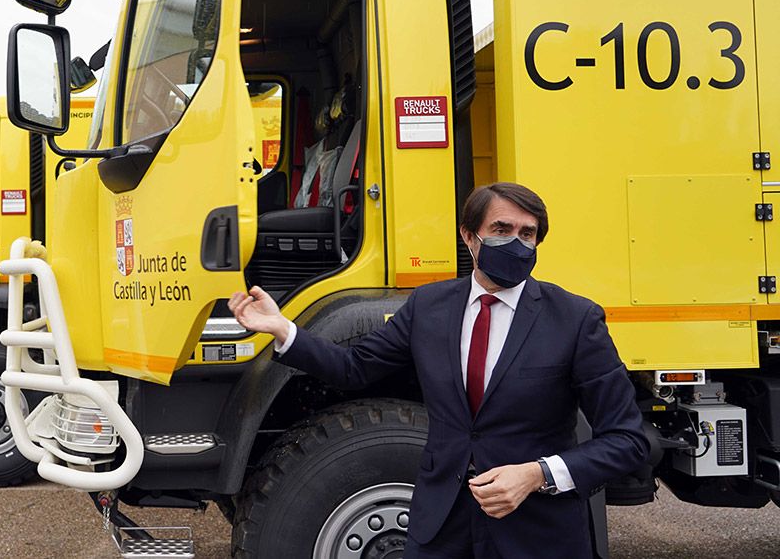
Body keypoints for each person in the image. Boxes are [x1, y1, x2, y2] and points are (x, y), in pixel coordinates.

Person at [229, 182, 648, 558]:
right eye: (502, 230)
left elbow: (627, 439)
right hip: (440, 529)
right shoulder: (428, 307)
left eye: (528, 234)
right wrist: (282, 328)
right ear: (470, 236)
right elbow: (354, 369)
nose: (517, 243)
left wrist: (537, 475)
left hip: (537, 532)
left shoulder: (575, 319)